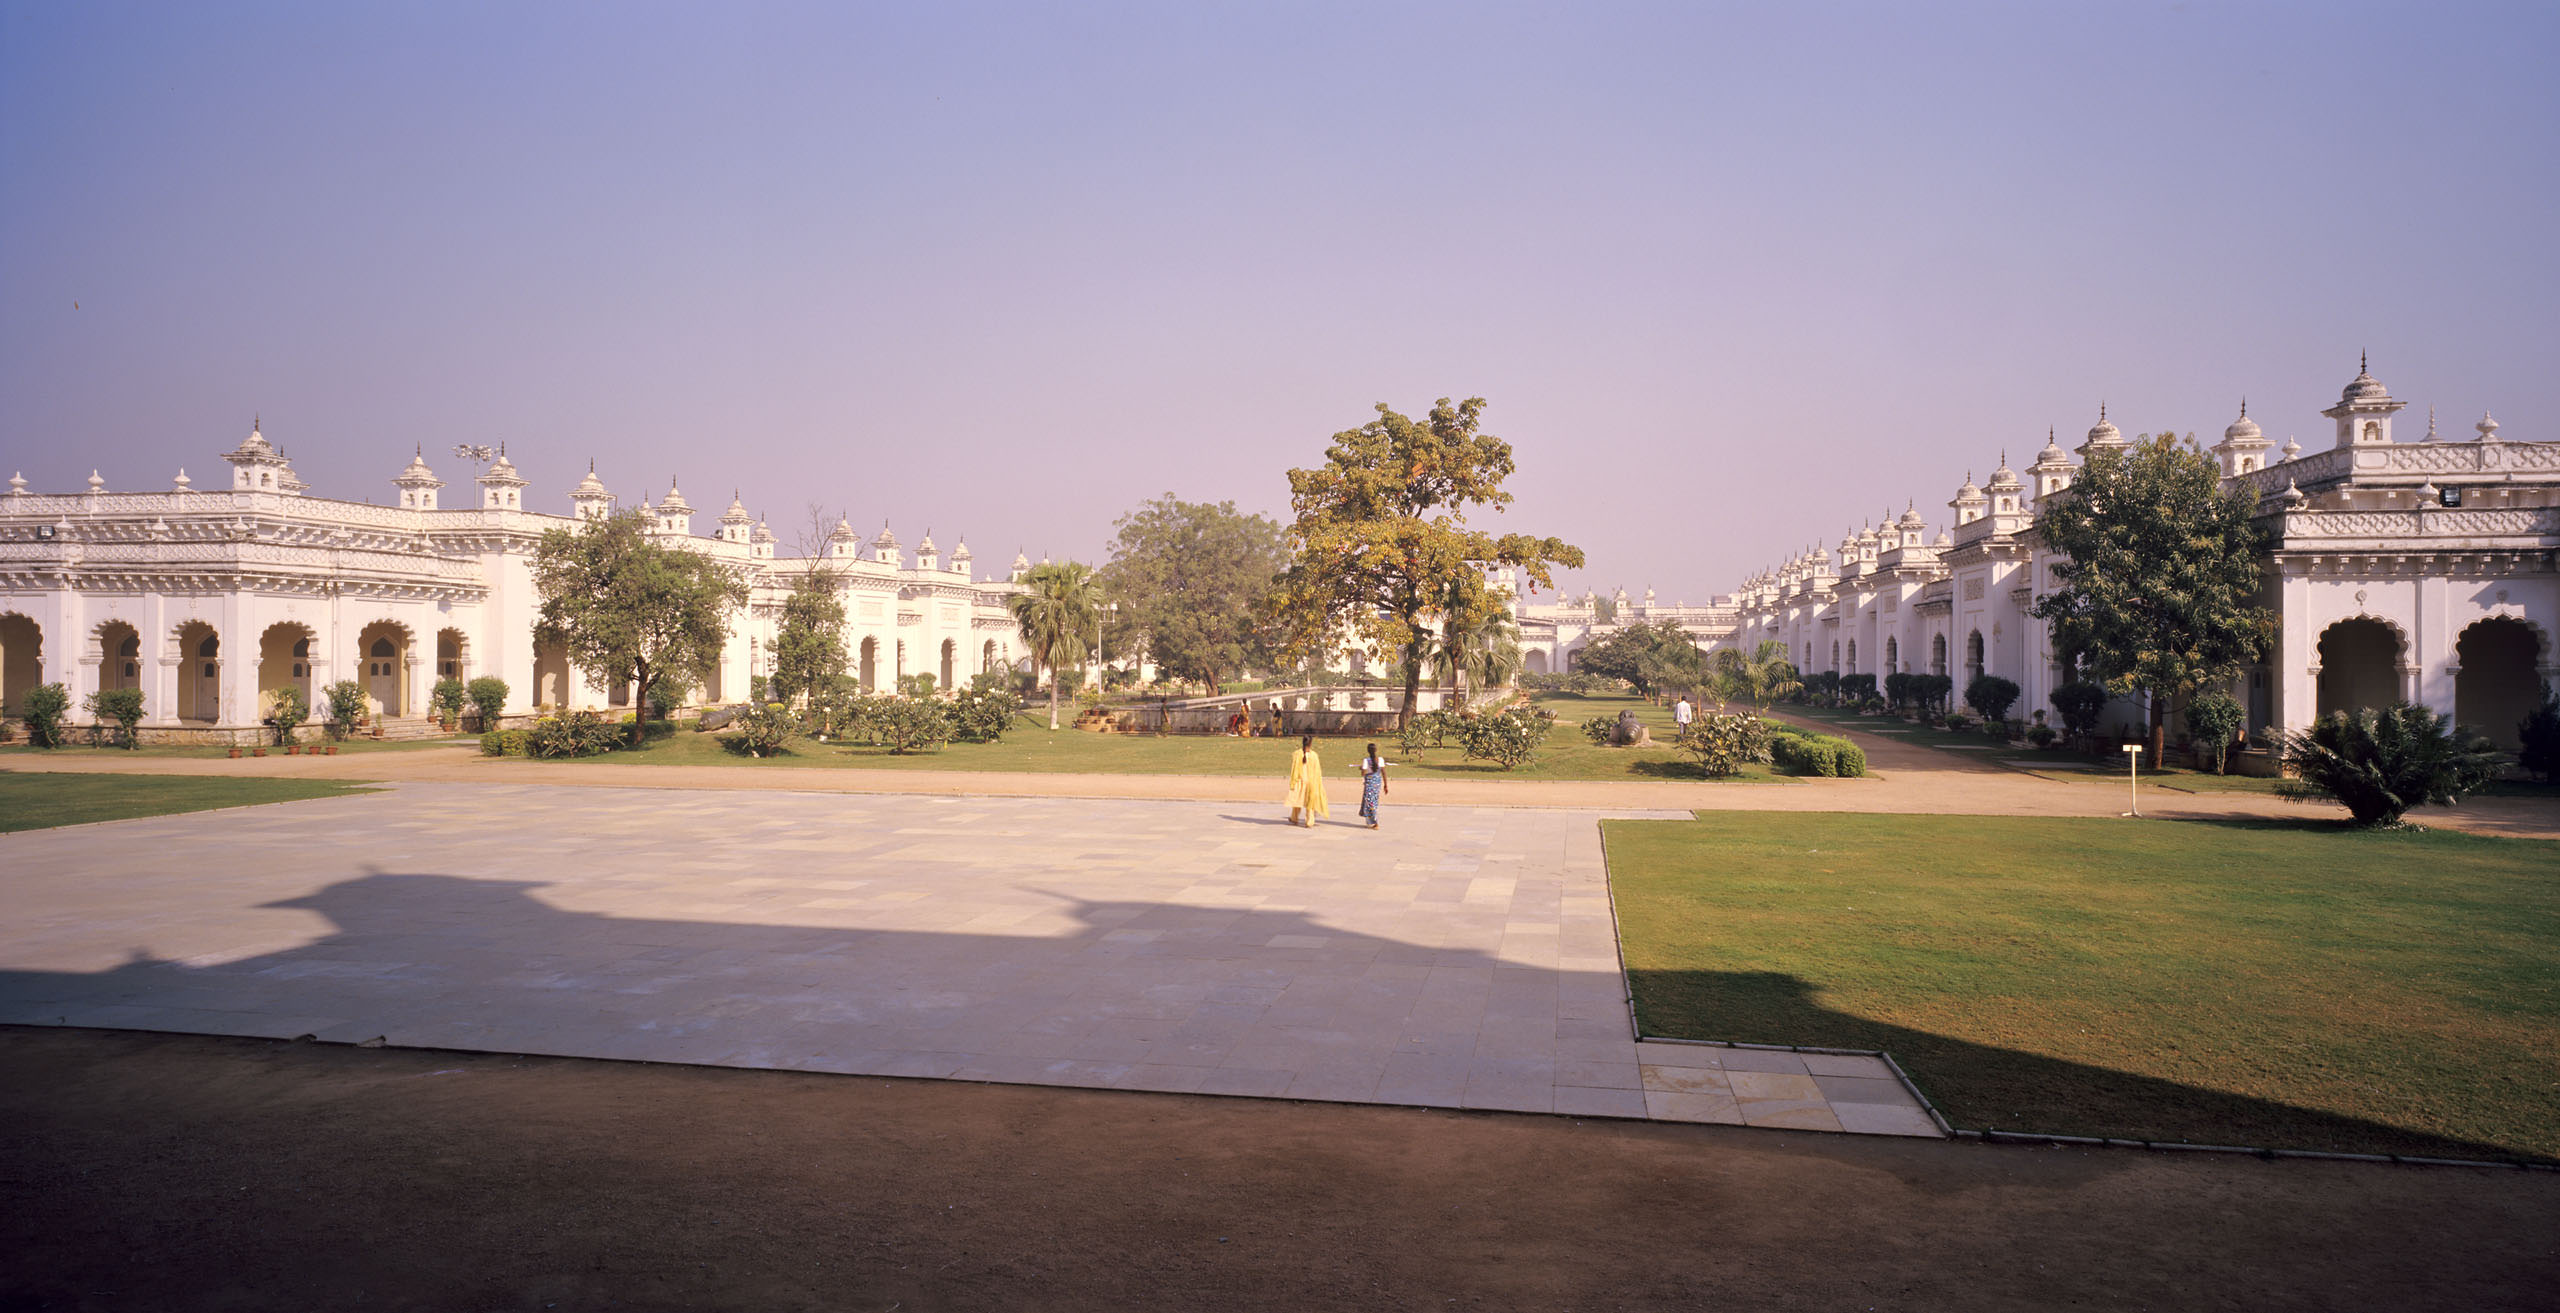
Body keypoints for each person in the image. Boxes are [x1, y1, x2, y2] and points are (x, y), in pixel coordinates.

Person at [1285, 733, 1329, 827]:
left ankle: (1294, 817)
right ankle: (1309, 821)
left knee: (1297, 801)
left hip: (1300, 781)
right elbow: (1317, 771)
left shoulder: (1297, 754)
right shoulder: (1314, 755)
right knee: (1310, 803)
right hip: (1311, 782)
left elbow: (1294, 769)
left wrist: (1294, 781)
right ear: (1311, 743)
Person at [1356, 742, 1388, 830]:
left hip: (1369, 783)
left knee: (1369, 803)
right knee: (1373, 801)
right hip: (1377, 783)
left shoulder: (1366, 760)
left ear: (1368, 751)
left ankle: (1375, 822)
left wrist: (1361, 768)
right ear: (1376, 750)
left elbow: (1363, 773)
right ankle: (1370, 821)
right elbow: (1383, 773)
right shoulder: (1380, 760)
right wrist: (1386, 785)